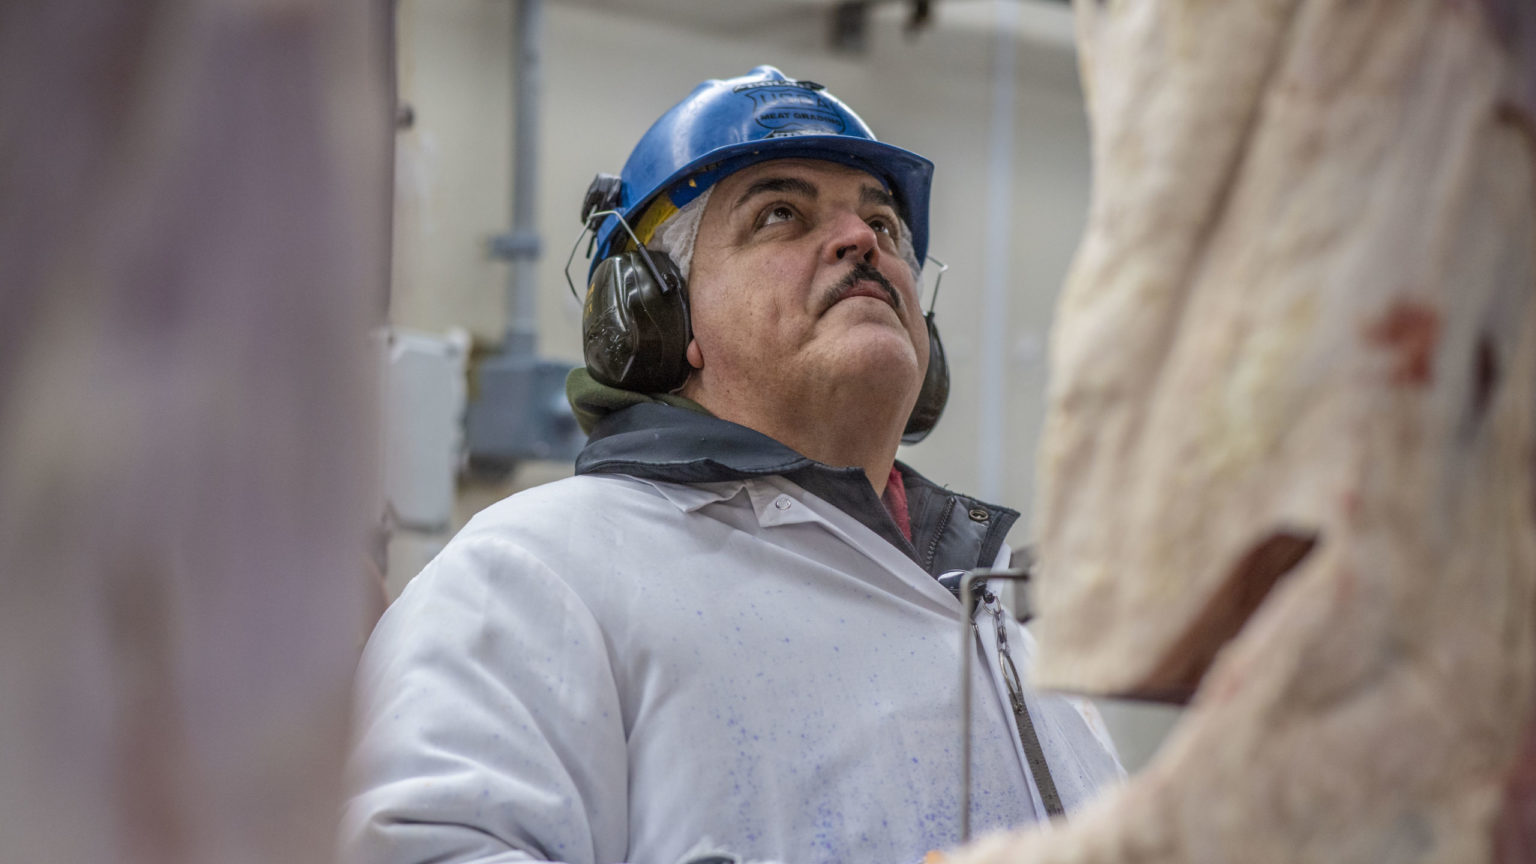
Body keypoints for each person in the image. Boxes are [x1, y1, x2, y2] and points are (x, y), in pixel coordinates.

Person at [339, 66, 1123, 864]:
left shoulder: (1003, 632)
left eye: (885, 226)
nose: (862, 240)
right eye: (781, 214)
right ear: (655, 311)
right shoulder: (537, 573)